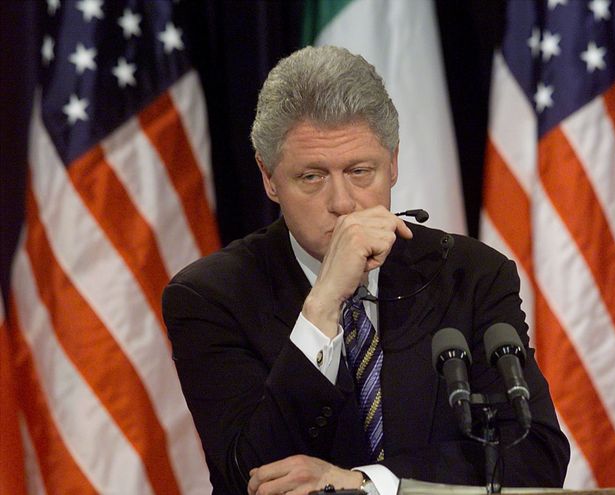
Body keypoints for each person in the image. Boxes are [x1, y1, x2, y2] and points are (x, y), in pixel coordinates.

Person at [162, 45, 569, 495]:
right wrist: (323, 304)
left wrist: (365, 483)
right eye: (312, 177)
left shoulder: (470, 274)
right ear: (269, 177)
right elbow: (249, 478)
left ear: (392, 164)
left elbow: (535, 457)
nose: (342, 203)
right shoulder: (209, 296)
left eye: (360, 171)